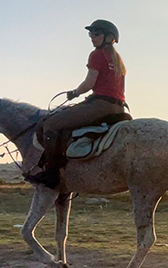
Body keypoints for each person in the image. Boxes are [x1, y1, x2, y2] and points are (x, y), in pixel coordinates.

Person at [26, 19, 128, 188]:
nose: (91, 37)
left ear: (109, 37)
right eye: (90, 33)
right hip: (118, 107)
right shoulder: (118, 60)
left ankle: (52, 174)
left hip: (100, 106)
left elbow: (89, 83)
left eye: (96, 33)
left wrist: (74, 93)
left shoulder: (97, 54)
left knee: (51, 123)